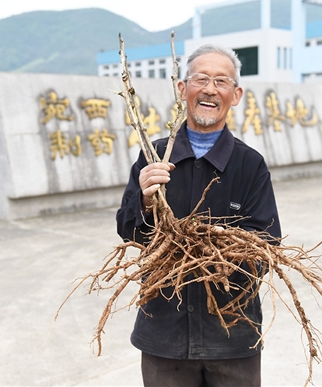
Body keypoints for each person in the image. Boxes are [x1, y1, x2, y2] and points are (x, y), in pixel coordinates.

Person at [116, 43, 281, 387]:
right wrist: (145, 202)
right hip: (164, 335)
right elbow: (128, 230)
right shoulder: (154, 154)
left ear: (235, 95)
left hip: (232, 336)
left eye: (221, 82)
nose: (209, 89)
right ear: (182, 89)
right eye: (201, 79)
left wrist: (212, 257)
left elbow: (266, 244)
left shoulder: (250, 165)